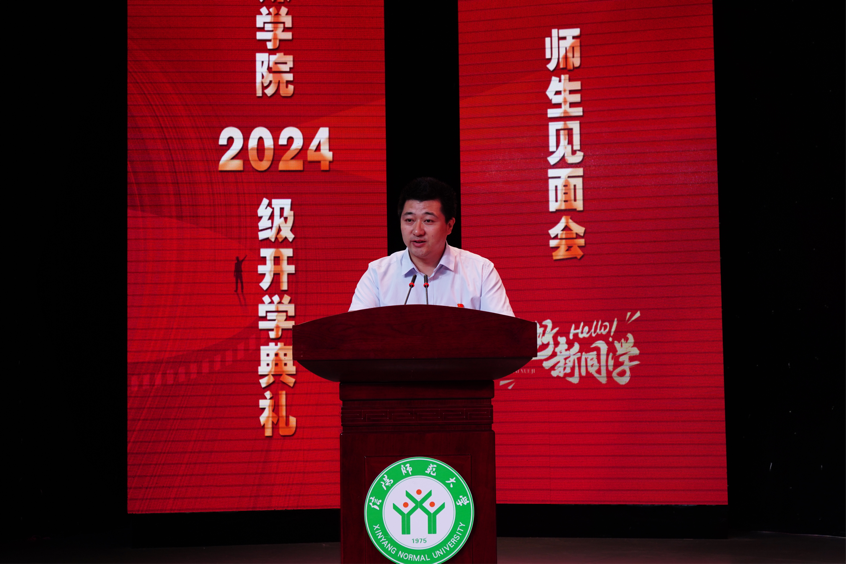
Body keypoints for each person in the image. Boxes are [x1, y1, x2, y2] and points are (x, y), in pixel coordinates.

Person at [349, 177, 514, 316]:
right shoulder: (377, 275)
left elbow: (506, 335)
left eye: (428, 221)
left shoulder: (480, 271)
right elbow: (354, 335)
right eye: (409, 220)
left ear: (449, 225)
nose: (417, 231)